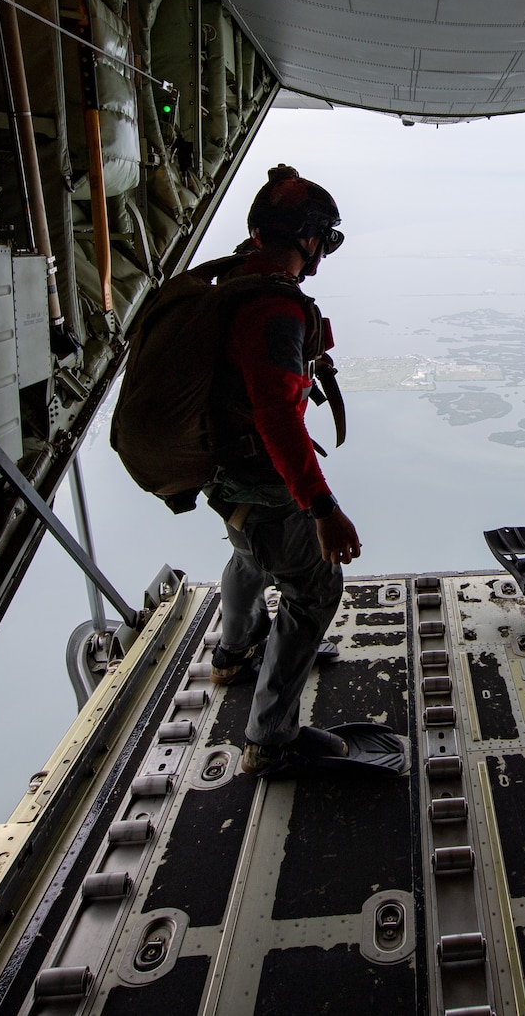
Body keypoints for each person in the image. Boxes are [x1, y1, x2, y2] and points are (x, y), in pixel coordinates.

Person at [203, 165, 364, 777]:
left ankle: (235, 652)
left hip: (227, 476)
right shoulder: (274, 309)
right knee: (316, 586)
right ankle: (271, 737)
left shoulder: (237, 279)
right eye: (323, 235)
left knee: (249, 554)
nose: (324, 248)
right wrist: (323, 510)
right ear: (304, 235)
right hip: (263, 479)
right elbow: (277, 420)